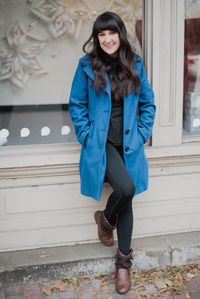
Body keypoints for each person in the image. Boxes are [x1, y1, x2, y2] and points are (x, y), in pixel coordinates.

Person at [69, 11, 156, 295]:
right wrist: (86, 136)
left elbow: (148, 104)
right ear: (96, 38)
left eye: (111, 33)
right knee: (127, 189)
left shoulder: (135, 66)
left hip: (129, 142)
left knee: (126, 197)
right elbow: (76, 106)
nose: (107, 39)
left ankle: (121, 261)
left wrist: (143, 133)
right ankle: (107, 225)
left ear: (120, 34)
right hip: (101, 142)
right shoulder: (86, 67)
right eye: (101, 34)